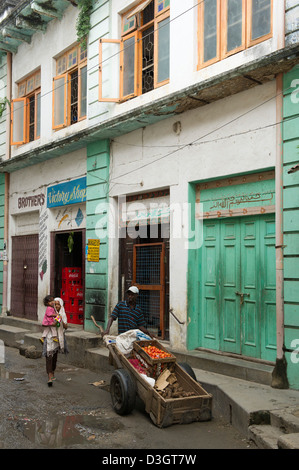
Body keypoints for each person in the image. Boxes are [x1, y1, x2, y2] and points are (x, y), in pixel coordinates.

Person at [42, 296, 68, 386]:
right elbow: (45, 323)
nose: (56, 306)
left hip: (58, 337)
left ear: (61, 305)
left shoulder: (62, 314)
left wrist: (61, 321)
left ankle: (52, 371)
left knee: (54, 357)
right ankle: (49, 376)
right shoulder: (50, 311)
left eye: (58, 304)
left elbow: (66, 326)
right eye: (55, 304)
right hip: (50, 337)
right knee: (49, 355)